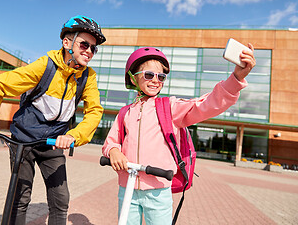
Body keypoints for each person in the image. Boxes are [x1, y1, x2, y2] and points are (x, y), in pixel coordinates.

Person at [102, 45, 256, 224]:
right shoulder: (125, 113)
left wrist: (236, 78)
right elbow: (111, 142)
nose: (155, 80)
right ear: (133, 78)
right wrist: (113, 151)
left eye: (161, 77)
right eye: (149, 75)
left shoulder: (170, 107)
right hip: (127, 186)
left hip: (158, 189)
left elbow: (205, 104)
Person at [0, 15, 105, 224]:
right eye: (84, 44)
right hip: (23, 141)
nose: (89, 51)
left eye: (94, 48)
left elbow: (94, 111)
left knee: (61, 200)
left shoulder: (88, 77)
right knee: (20, 197)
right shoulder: (45, 66)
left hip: (53, 144)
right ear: (67, 43)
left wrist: (73, 135)